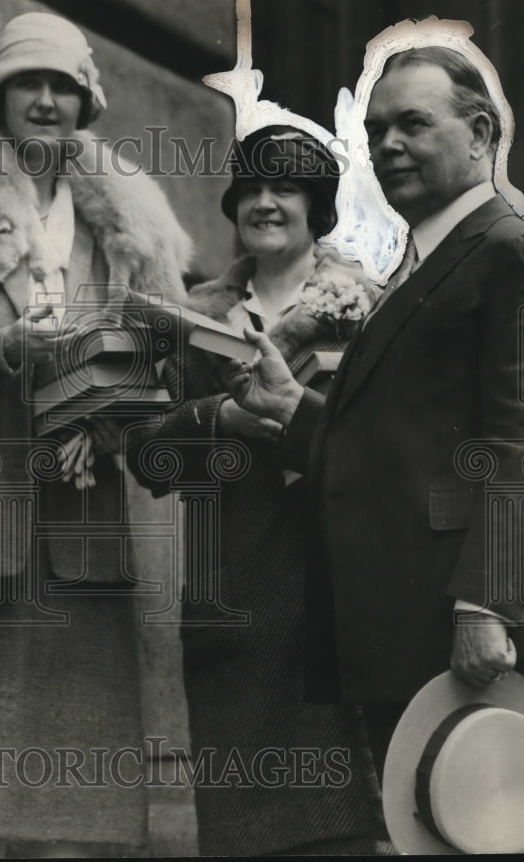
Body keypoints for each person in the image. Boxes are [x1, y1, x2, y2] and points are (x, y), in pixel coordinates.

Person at [225, 45, 524, 793]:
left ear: (482, 135)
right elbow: (396, 440)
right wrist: (294, 410)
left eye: (414, 125)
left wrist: (485, 604)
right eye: (377, 130)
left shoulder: (512, 253)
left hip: (463, 631)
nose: (388, 145)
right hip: (407, 629)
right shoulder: (424, 261)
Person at [0, 13, 192, 858]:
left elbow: (173, 352)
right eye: (30, 82)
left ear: (87, 102)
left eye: (65, 85)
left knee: (81, 804)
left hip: (88, 521)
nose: (48, 101)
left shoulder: (129, 223)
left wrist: (106, 416)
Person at [125, 125, 385, 855]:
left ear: (319, 206)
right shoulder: (193, 316)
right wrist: (224, 418)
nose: (266, 203)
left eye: (287, 188)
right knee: (247, 834)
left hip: (338, 595)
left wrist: (304, 417)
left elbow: (396, 452)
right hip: (231, 598)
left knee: (345, 829)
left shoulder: (372, 307)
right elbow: (145, 453)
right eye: (252, 189)